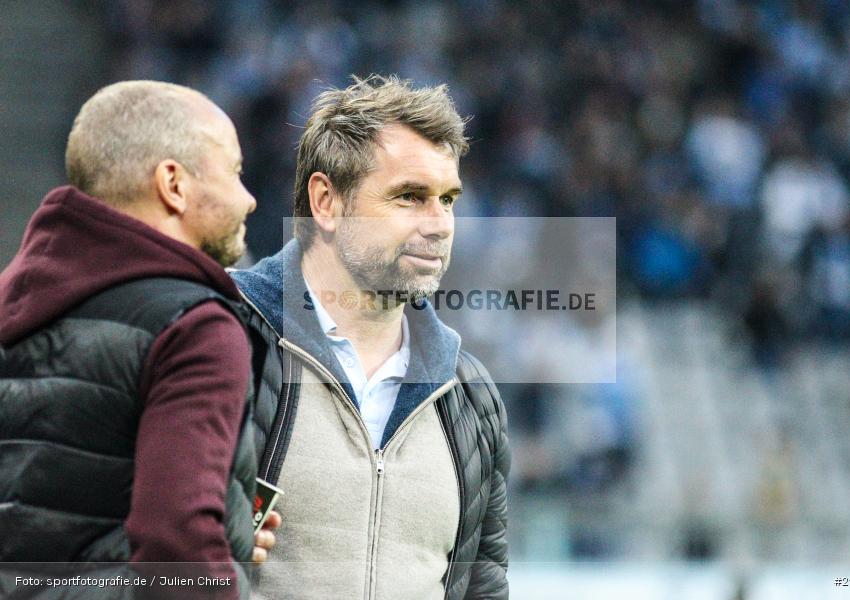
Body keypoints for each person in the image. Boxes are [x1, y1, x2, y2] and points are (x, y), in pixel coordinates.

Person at [231, 75, 510, 599]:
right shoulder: (222, 341)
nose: (440, 225)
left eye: (447, 200)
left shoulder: (471, 396)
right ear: (326, 202)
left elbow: (484, 585)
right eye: (409, 197)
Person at [0, 80, 275, 599]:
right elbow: (176, 544)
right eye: (235, 171)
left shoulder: (11, 302)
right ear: (173, 184)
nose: (250, 197)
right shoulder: (196, 328)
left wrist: (231, 527)